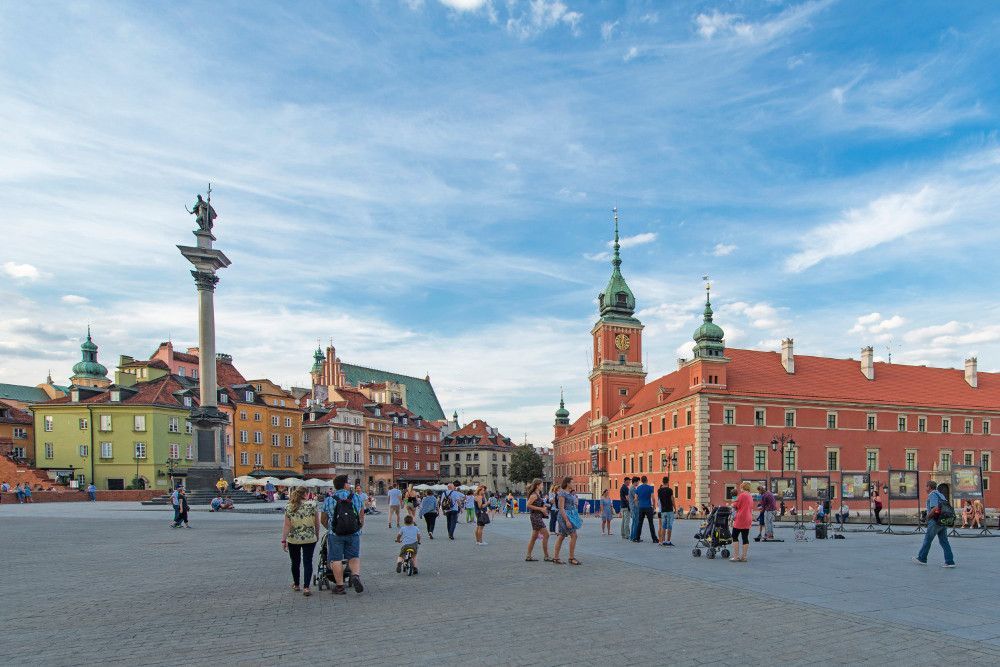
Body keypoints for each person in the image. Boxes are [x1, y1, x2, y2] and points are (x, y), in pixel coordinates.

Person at [321, 474, 365, 595]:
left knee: (336, 559)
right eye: (348, 482)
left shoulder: (329, 499)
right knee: (353, 556)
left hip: (335, 534)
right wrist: (358, 528)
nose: (350, 484)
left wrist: (331, 528)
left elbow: (323, 519)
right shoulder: (356, 497)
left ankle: (339, 586)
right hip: (353, 533)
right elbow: (361, 517)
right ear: (345, 484)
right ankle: (355, 575)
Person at [282, 486, 320, 596]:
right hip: (309, 538)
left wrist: (283, 541)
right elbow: (316, 523)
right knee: (308, 561)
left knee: (295, 562)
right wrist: (317, 535)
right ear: (305, 494)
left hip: (294, 539)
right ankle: (307, 587)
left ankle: (297, 584)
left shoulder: (289, 506)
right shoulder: (313, 505)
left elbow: (287, 525)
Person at [913, 480, 956, 568]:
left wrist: (927, 517)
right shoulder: (941, 495)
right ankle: (950, 561)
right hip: (943, 520)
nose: (925, 488)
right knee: (944, 541)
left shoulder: (932, 495)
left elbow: (935, 508)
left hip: (935, 521)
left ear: (929, 487)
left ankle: (922, 558)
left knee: (927, 539)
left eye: (926, 486)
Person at [552, 477, 580, 566]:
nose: (574, 484)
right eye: (572, 482)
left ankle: (556, 558)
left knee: (561, 536)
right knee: (574, 535)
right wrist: (567, 520)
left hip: (569, 516)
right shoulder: (562, 493)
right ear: (567, 483)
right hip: (564, 517)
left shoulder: (569, 493)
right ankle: (571, 558)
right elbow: (561, 508)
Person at [524, 478, 551, 561]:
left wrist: (546, 506)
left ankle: (528, 556)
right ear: (537, 485)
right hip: (535, 517)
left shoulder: (538, 494)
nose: (543, 486)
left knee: (534, 537)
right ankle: (546, 556)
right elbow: (528, 505)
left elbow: (540, 504)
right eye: (542, 485)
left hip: (537, 516)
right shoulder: (534, 495)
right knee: (546, 535)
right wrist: (541, 509)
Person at [730, 482, 753, 562]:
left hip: (740, 518)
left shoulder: (742, 495)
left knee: (734, 536)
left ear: (743, 487)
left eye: (741, 487)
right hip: (748, 518)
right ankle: (744, 557)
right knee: (745, 537)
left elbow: (736, 505)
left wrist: (732, 504)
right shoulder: (750, 496)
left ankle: (736, 557)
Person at [633, 475, 657, 543]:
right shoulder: (650, 488)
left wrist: (638, 504)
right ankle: (654, 539)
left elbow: (635, 499)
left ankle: (637, 538)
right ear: (646, 480)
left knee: (640, 523)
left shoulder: (638, 488)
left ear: (641, 480)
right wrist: (654, 507)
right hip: (648, 507)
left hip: (641, 507)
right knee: (651, 523)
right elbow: (653, 498)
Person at [657, 476, 675, 546]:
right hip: (669, 510)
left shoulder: (659, 491)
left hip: (663, 511)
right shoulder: (670, 490)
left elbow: (659, 501)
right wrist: (674, 508)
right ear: (668, 482)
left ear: (662, 482)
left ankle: (663, 541)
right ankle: (668, 541)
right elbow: (672, 499)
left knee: (663, 526)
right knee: (669, 526)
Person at [628, 476, 641, 540]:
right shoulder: (633, 489)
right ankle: (634, 537)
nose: (638, 483)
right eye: (638, 482)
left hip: (633, 506)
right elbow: (636, 498)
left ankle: (632, 536)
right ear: (635, 482)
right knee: (636, 522)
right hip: (635, 507)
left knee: (634, 522)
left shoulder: (632, 488)